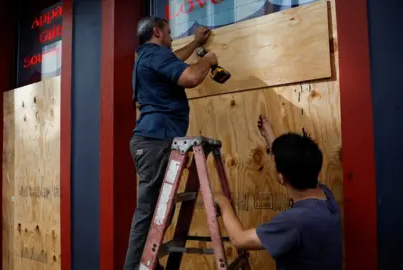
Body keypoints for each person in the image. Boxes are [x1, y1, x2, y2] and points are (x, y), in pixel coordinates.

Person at [124, 16, 218, 270]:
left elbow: (174, 60)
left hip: (152, 140)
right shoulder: (155, 55)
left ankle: (148, 265)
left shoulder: (148, 56)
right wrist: (208, 60)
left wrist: (196, 42)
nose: (172, 36)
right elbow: (190, 78)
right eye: (169, 31)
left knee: (158, 215)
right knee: (148, 215)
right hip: (156, 141)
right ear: (157, 32)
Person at [214, 115, 343, 270]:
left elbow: (239, 239)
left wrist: (223, 202)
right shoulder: (325, 196)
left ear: (282, 177)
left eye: (273, 161)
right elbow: (295, 165)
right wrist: (269, 135)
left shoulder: (295, 221)